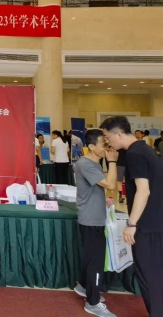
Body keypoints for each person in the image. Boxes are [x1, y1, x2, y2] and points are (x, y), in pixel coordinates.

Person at [100, 115, 163, 316]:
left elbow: (143, 191)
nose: (107, 141)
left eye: (108, 137)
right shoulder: (146, 149)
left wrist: (132, 223)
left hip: (146, 224)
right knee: (155, 273)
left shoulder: (135, 154)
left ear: (118, 134)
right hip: (155, 220)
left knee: (149, 275)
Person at [73, 129, 118, 317]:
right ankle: (92, 302)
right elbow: (111, 184)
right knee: (96, 262)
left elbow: (96, 187)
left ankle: (84, 286)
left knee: (91, 258)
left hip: (93, 216)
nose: (107, 146)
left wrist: (102, 199)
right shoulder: (86, 164)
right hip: (91, 220)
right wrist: (112, 161)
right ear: (91, 146)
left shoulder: (93, 163)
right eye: (103, 143)